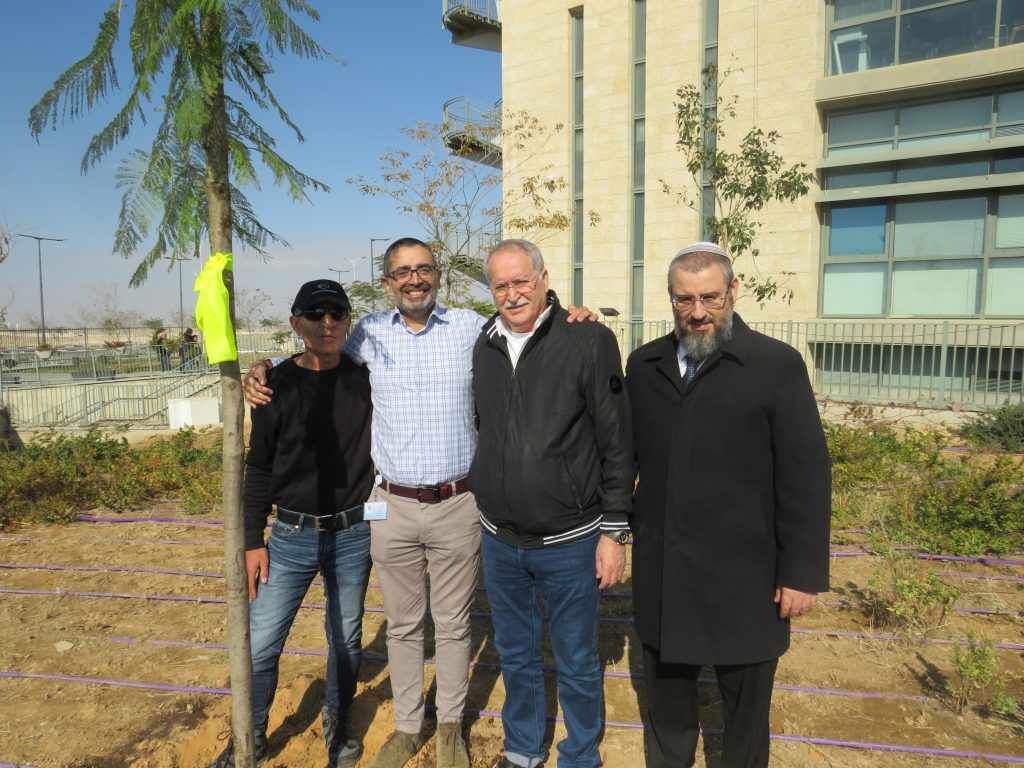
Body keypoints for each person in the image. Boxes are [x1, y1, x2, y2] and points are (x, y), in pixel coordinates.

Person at [244, 238, 597, 768]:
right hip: (392, 507)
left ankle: (450, 723)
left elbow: (527, 323)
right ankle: (408, 726)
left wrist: (567, 312)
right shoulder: (368, 334)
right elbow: (316, 354)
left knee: (453, 623)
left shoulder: (471, 329)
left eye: (424, 269)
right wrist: (263, 367)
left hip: (458, 503)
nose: (414, 279)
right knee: (404, 625)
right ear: (387, 282)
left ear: (438, 276)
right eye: (402, 271)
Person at [625, 242, 831, 768]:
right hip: (666, 571)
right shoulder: (644, 365)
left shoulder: (775, 365)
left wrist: (801, 573)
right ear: (671, 298)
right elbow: (623, 459)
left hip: (747, 579)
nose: (698, 312)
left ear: (733, 291)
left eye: (710, 298)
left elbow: (805, 475)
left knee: (744, 720)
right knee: (668, 714)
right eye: (684, 299)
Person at [469, 239, 634, 768]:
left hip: (571, 540)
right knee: (515, 654)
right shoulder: (485, 344)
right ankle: (523, 748)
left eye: (522, 281)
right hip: (500, 539)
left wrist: (614, 531)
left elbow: (616, 441)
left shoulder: (587, 340)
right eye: (501, 285)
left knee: (577, 657)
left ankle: (579, 755)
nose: (513, 294)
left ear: (544, 279)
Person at [208, 279, 373, 768]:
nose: (328, 323)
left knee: (345, 639)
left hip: (353, 534)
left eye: (337, 313)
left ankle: (337, 728)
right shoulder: (274, 387)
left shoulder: (366, 379)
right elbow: (258, 468)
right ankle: (251, 739)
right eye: (316, 314)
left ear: (348, 321)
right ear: (295, 322)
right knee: (260, 644)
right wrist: (252, 540)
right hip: (289, 536)